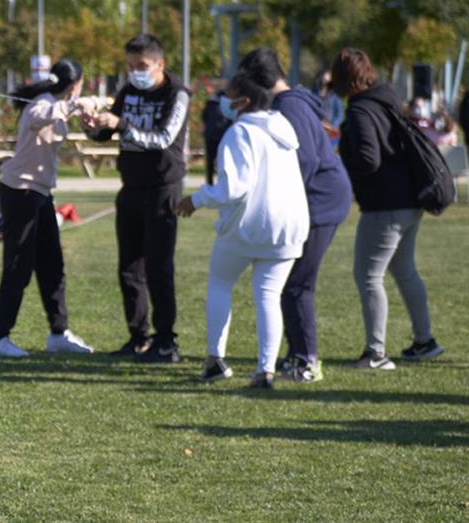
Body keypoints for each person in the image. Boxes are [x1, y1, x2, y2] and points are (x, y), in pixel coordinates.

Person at [175, 70, 308, 389]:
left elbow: (232, 188)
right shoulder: (283, 128)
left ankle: (215, 360)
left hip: (248, 226)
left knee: (220, 283)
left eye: (228, 93)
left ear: (244, 101)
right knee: (268, 296)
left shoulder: (239, 132)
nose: (223, 99)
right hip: (288, 226)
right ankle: (265, 370)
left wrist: (196, 199)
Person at [238, 48, 352, 382]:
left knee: (296, 283)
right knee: (289, 282)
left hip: (320, 201)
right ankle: (296, 355)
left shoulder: (289, 107)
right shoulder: (291, 102)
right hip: (316, 199)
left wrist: (279, 194)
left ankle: (306, 362)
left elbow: (305, 160)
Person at [332, 47, 444, 369]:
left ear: (344, 80)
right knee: (404, 270)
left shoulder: (360, 111)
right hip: (409, 201)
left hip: (385, 206)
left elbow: (368, 158)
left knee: (368, 275)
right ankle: (424, 341)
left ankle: (376, 353)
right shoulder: (387, 100)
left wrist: (344, 159)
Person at [84, 33, 189, 362]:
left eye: (141, 66)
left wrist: (122, 123)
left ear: (160, 63)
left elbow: (163, 138)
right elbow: (108, 131)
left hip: (163, 189)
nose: (135, 72)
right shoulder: (128, 90)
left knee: (159, 268)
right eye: (130, 66)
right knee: (129, 268)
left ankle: (166, 340)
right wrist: (92, 124)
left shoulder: (177, 93)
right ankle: (138, 336)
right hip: (130, 187)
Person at [0, 60, 95, 358]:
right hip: (20, 191)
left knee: (52, 265)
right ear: (75, 84)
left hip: (40, 193)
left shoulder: (57, 102)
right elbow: (37, 116)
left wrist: (88, 109)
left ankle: (59, 333)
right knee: (18, 266)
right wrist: (74, 106)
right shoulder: (43, 102)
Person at [201, 88, 231, 185]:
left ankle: (219, 182)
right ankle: (211, 182)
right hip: (215, 136)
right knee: (213, 161)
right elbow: (204, 117)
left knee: (220, 161)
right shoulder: (212, 104)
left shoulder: (212, 104)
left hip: (217, 136)